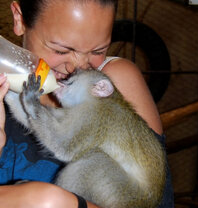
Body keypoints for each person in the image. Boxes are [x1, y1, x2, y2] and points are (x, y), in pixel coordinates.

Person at [0, 0, 174, 207]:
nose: (78, 66)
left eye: (97, 51)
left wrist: (56, 201)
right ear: (19, 19)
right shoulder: (75, 95)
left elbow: (63, 145)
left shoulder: (107, 91)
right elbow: (41, 120)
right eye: (62, 51)